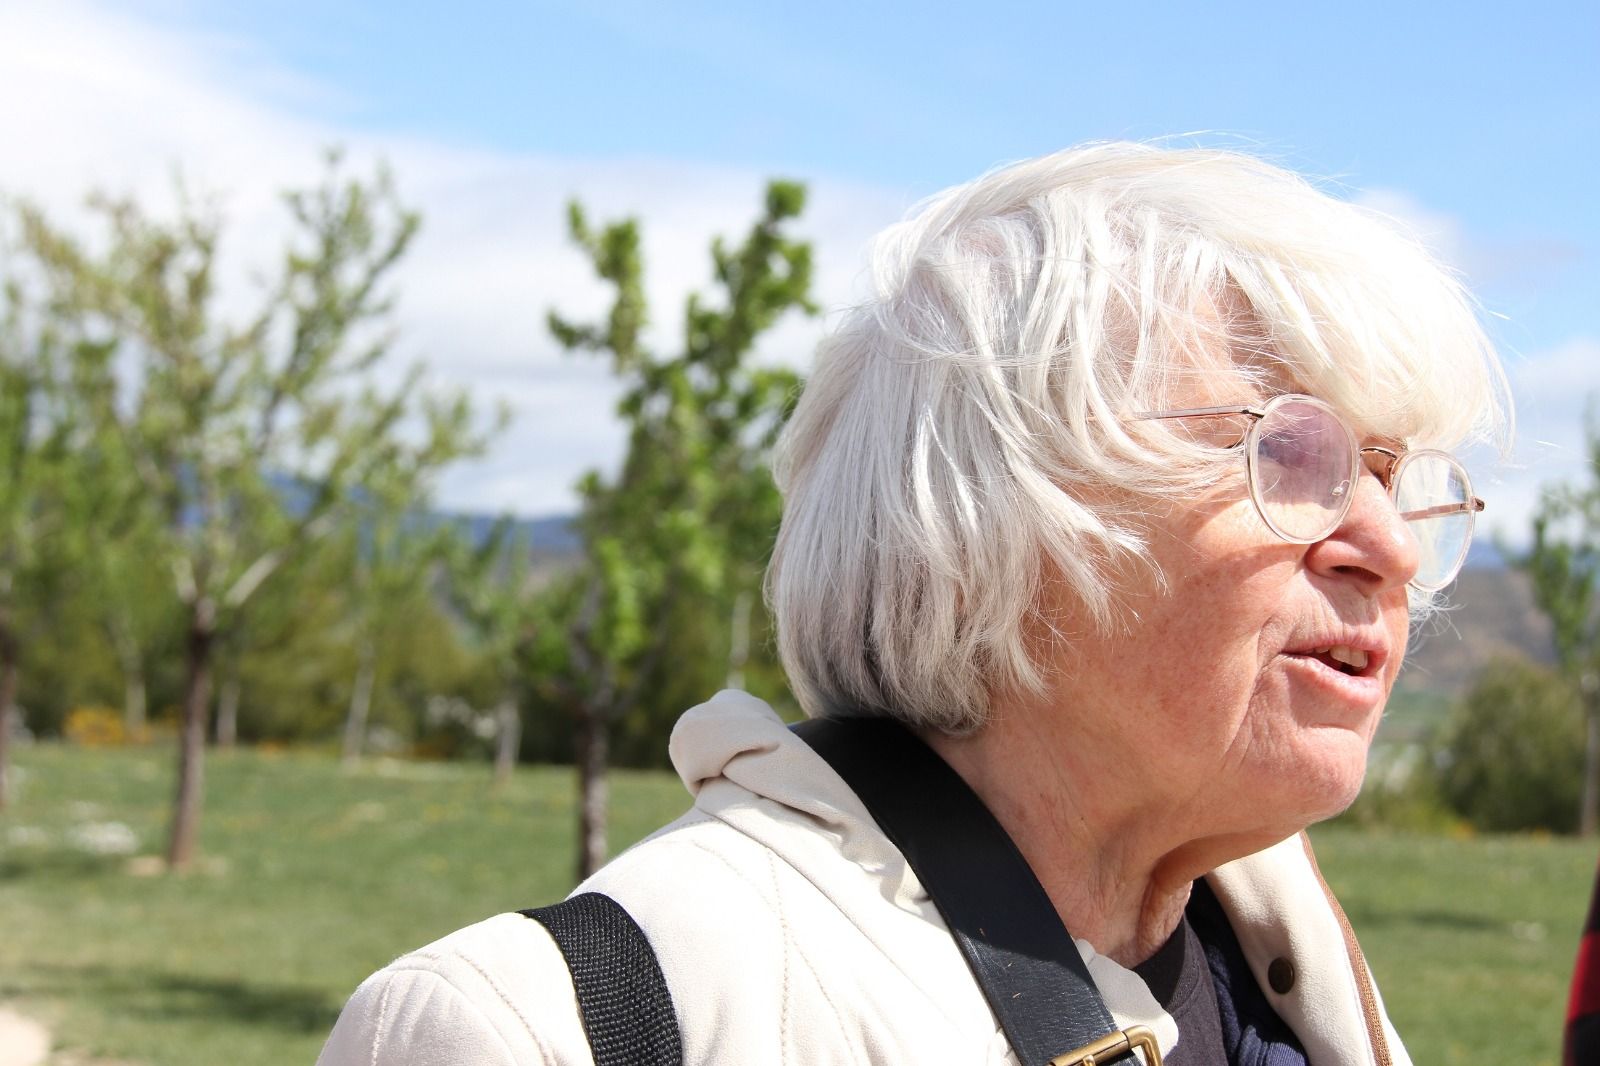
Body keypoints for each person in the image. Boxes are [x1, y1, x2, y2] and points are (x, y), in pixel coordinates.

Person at [317, 143, 1510, 1065]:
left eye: (1398, 479)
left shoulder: (1291, 973)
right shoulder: (548, 1029)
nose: (1389, 548)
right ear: (995, 514)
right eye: (1291, 454)